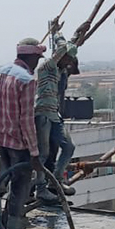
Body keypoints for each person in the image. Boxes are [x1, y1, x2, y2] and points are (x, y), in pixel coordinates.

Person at [0, 38, 44, 229]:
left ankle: (2, 225)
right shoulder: (27, 80)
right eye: (37, 58)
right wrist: (34, 153)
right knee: (19, 189)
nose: (37, 63)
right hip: (19, 146)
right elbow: (26, 120)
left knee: (0, 184)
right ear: (31, 57)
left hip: (0, 143)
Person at [33, 34, 79, 203]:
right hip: (43, 114)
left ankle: (56, 180)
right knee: (43, 153)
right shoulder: (47, 66)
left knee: (68, 147)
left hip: (54, 115)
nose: (68, 63)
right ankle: (40, 188)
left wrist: (76, 38)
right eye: (67, 59)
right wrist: (59, 35)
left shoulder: (59, 71)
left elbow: (69, 50)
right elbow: (63, 48)